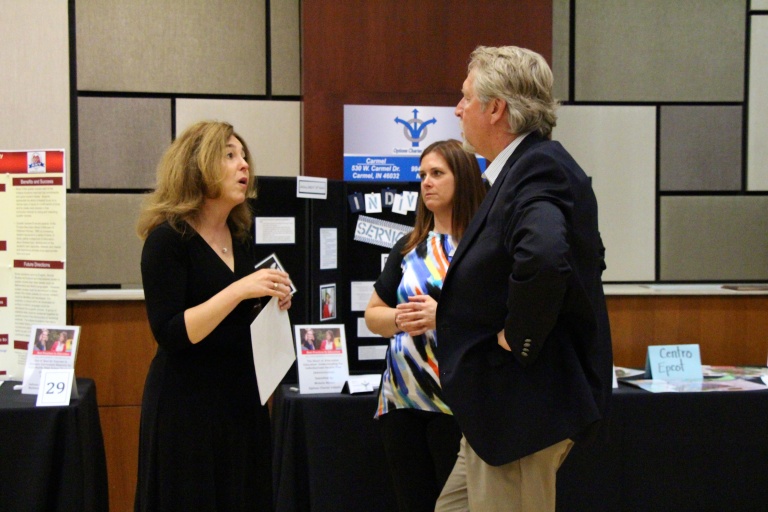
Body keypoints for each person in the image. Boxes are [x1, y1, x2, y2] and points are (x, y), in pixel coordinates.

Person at [433, 46, 614, 512]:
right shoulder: (519, 170)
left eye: (466, 97)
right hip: (496, 411)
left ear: (496, 108)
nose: (457, 109)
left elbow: (545, 256)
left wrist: (520, 335)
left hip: (520, 408)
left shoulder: (538, 167)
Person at [134, 120, 293, 512]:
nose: (244, 165)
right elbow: (170, 332)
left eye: (244, 156)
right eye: (229, 155)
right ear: (198, 166)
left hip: (241, 399)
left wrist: (271, 301)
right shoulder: (167, 239)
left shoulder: (239, 237)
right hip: (187, 406)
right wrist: (240, 289)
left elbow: (236, 317)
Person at [364, 139, 486, 512]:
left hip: (458, 403)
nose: (426, 183)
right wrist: (399, 318)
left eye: (437, 173)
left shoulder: (482, 248)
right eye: (422, 175)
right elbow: (373, 315)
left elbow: (495, 321)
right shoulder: (408, 246)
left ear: (463, 178)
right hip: (402, 400)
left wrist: (442, 316)